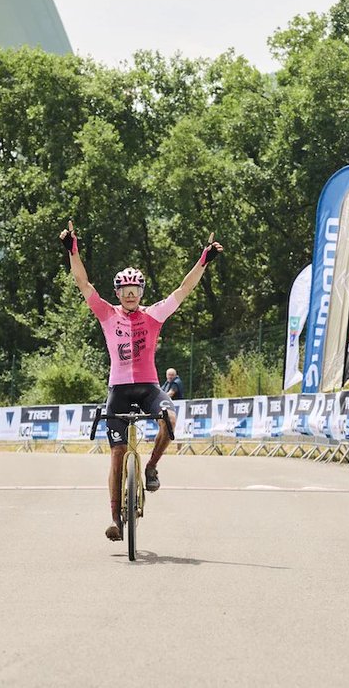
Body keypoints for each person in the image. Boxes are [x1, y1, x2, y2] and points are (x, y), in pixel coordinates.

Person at [59, 220, 223, 542]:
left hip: (149, 387)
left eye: (135, 290)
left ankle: (150, 468)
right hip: (118, 391)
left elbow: (183, 289)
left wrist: (203, 260)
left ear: (141, 292)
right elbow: (82, 283)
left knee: (170, 418)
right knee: (117, 452)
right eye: (125, 290)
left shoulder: (153, 315)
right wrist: (73, 249)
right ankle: (116, 520)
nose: (130, 294)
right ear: (118, 292)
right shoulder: (107, 314)